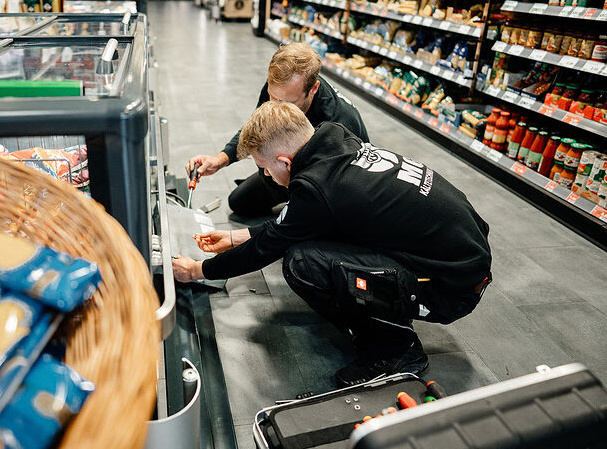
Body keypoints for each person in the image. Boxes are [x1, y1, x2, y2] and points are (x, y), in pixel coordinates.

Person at [173, 101, 492, 387]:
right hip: (464, 255)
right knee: (318, 239)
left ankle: (397, 351)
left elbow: (270, 246)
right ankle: (390, 309)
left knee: (303, 262)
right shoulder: (333, 137)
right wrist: (234, 237)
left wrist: (197, 270)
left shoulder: (316, 186)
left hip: (452, 288)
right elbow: (303, 223)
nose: (267, 177)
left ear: (285, 161)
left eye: (266, 168)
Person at [186, 43, 369, 217]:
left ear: (313, 89)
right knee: (239, 202)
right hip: (290, 169)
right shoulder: (279, 89)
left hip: (333, 184)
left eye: (286, 103)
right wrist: (219, 160)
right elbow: (258, 130)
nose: (276, 106)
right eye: (273, 97)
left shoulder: (339, 123)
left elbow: (340, 191)